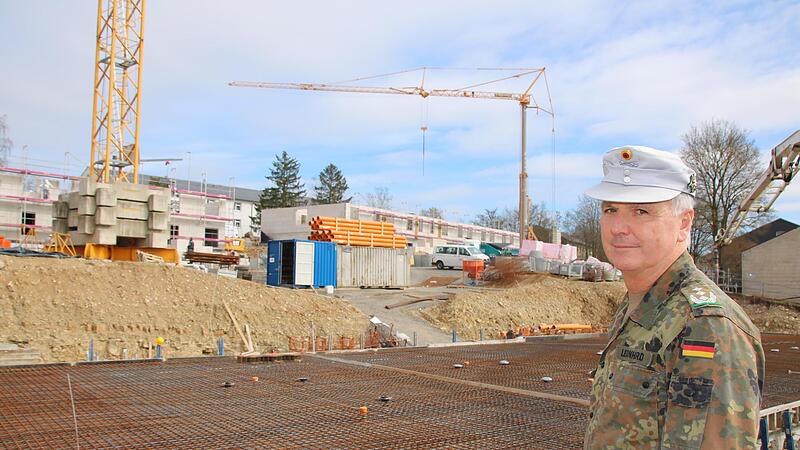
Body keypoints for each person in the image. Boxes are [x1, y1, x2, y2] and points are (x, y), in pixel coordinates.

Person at [583, 146, 764, 449]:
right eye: (610, 209)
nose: (618, 228)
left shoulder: (706, 325)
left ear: (684, 223)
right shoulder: (640, 304)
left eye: (641, 211)